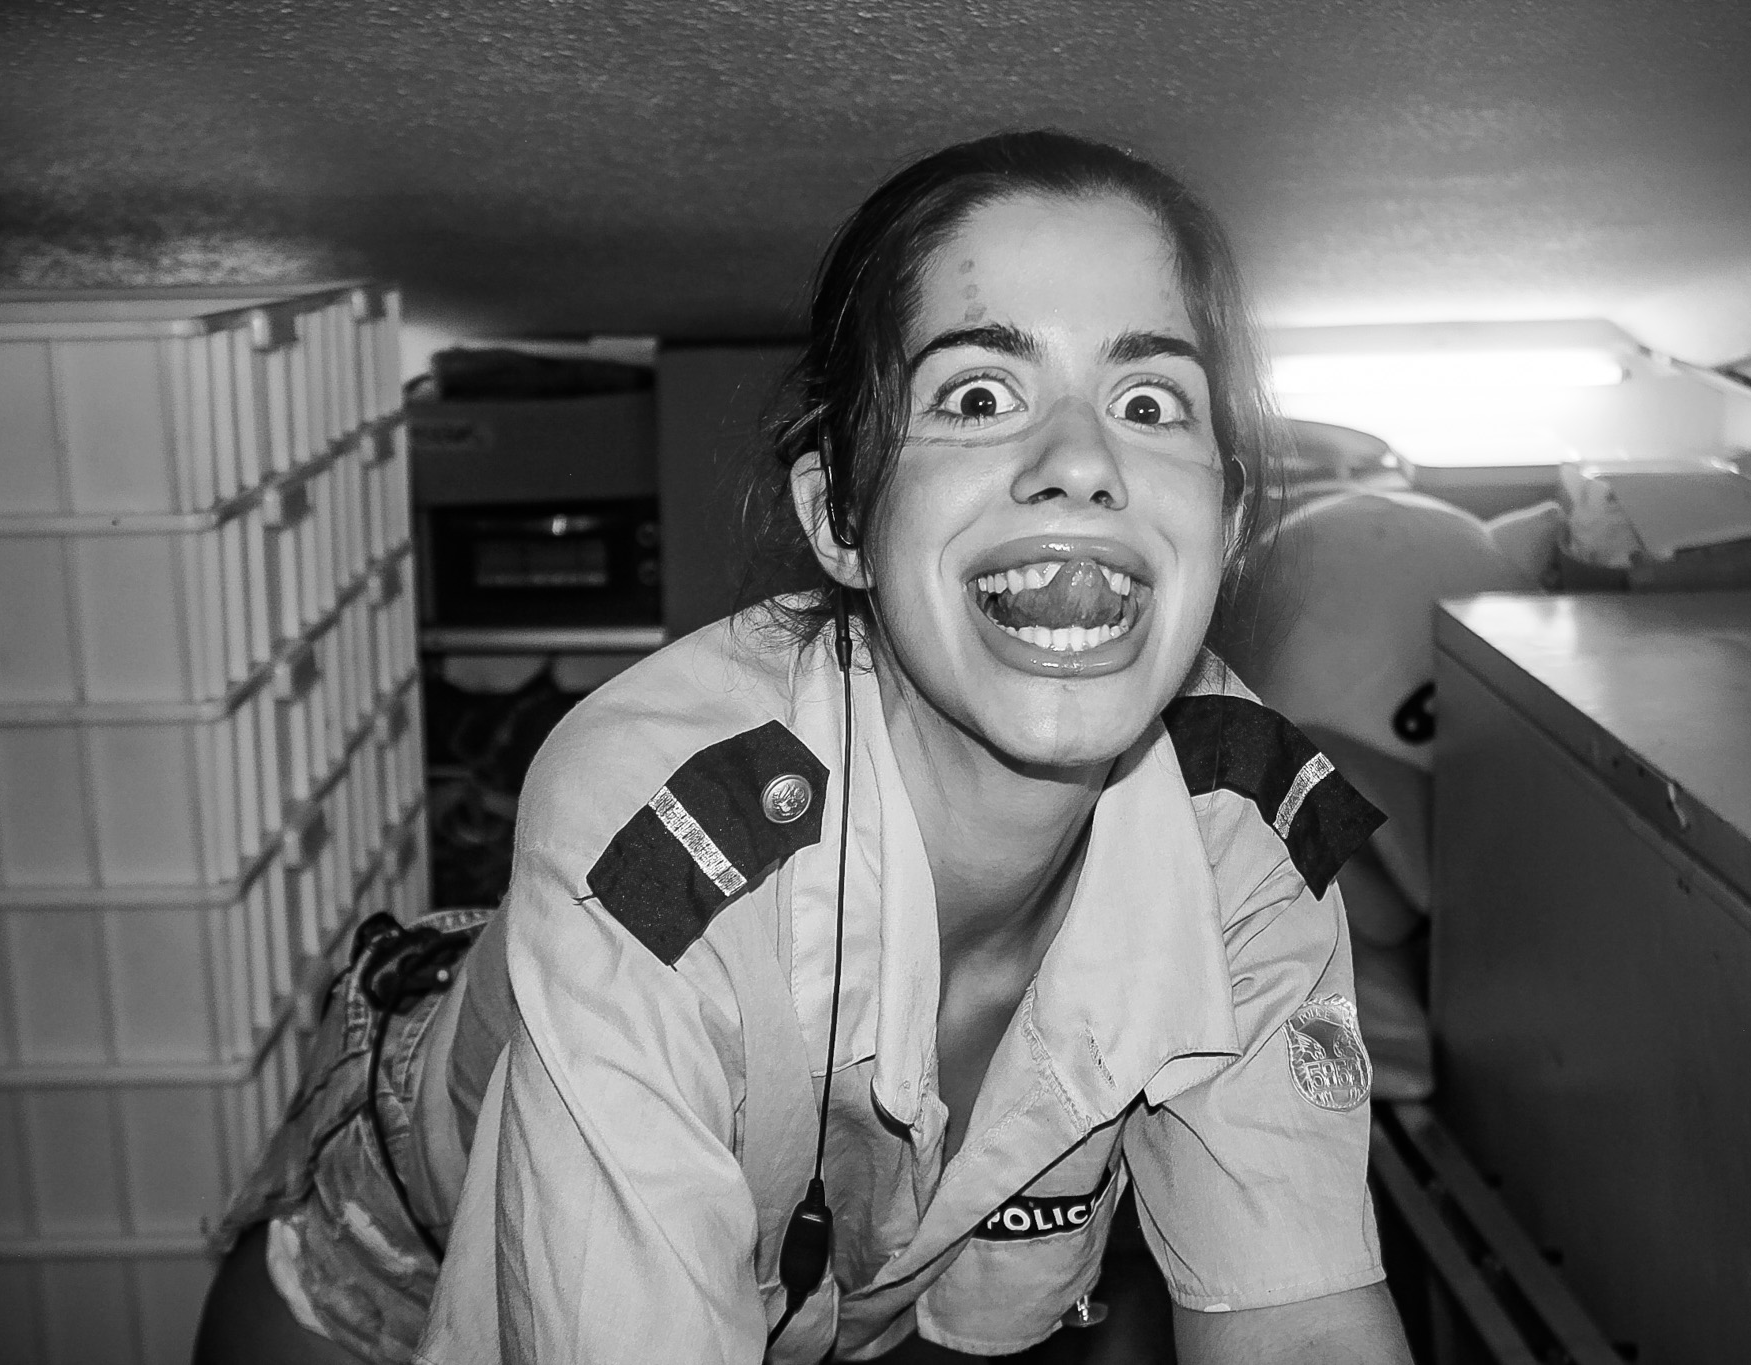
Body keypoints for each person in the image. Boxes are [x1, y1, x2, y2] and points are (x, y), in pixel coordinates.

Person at [195, 129, 1411, 1365]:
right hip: (381, 1270)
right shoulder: (665, 821)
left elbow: (1297, 1319)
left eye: (1148, 404)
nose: (1081, 463)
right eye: (977, 397)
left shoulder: (1244, 833)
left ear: (1227, 518)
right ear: (840, 515)